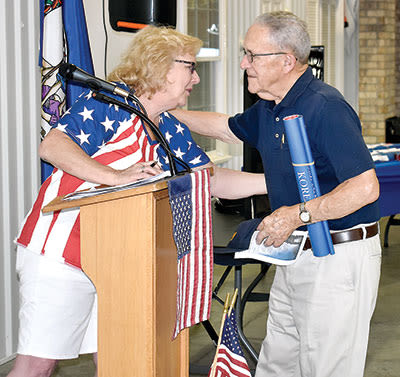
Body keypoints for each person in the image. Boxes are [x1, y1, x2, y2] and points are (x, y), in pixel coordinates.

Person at [9, 26, 267, 377]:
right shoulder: (108, 105)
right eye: (190, 67)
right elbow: (52, 146)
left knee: (119, 358)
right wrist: (115, 176)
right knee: (37, 367)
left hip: (118, 262)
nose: (195, 78)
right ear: (161, 66)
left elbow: (211, 181)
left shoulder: (169, 127)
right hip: (61, 253)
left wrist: (276, 184)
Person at [172, 11, 382, 377]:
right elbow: (225, 127)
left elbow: (365, 187)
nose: (243, 63)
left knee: (326, 367)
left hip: (337, 255)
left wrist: (297, 215)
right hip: (294, 252)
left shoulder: (325, 107)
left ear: (286, 61)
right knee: (277, 363)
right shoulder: (271, 106)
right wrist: (163, 112)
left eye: (252, 55)